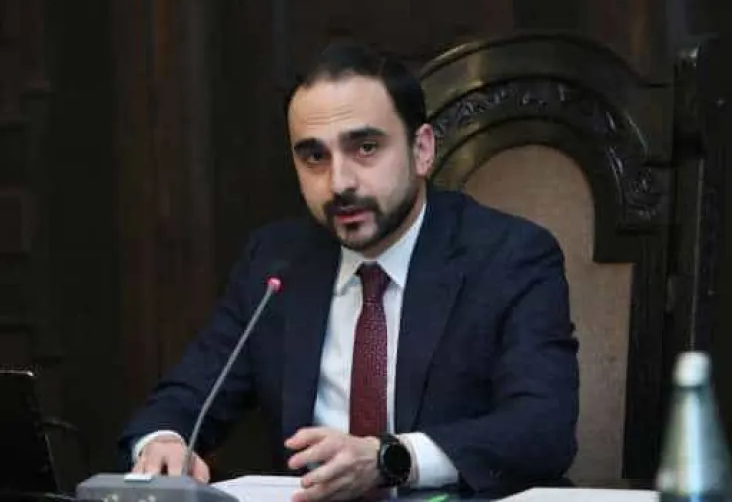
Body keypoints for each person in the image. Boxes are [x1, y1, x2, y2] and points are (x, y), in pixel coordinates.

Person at [119, 40, 579, 501]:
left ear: (422, 149)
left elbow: (543, 429)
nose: (339, 183)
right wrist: (164, 442)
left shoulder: (508, 257)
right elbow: (186, 397)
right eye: (314, 157)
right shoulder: (277, 261)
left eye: (366, 147)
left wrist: (391, 458)